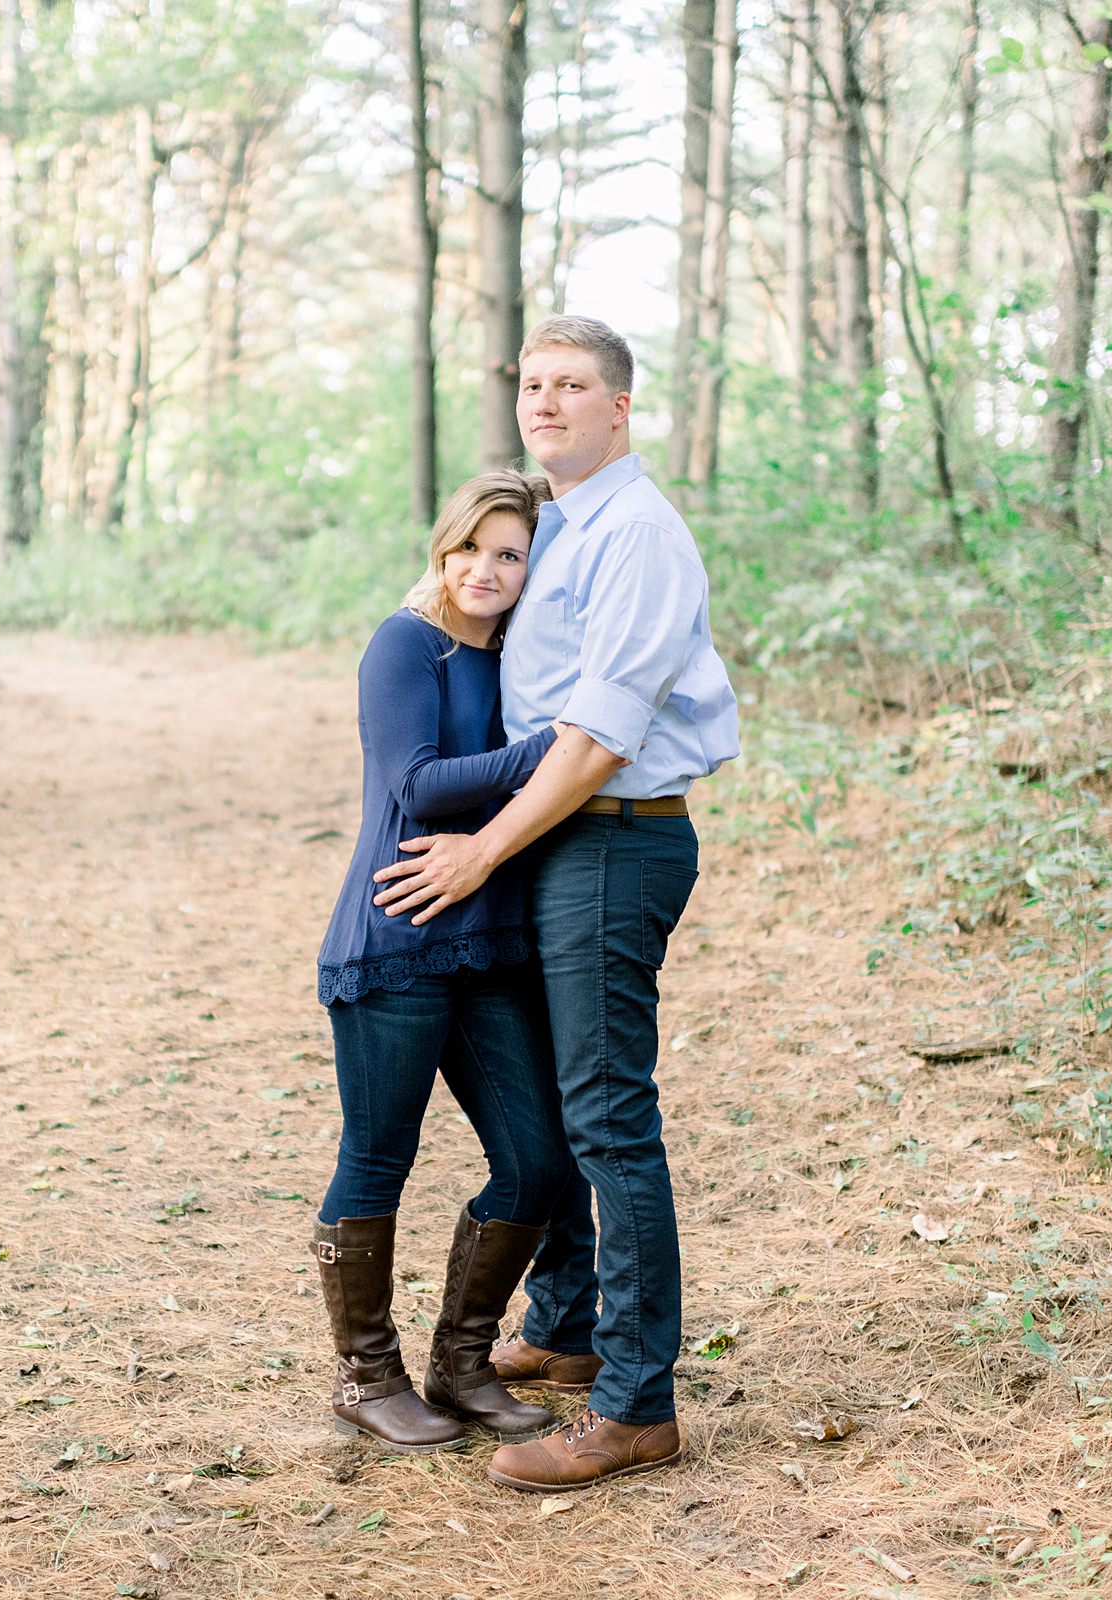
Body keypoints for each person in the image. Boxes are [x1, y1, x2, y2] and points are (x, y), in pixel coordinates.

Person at [372, 316, 739, 1491]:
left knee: (608, 1117)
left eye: (572, 385)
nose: (547, 401)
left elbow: (592, 743)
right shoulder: (564, 523)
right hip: (557, 843)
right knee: (563, 1104)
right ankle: (574, 1325)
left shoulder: (638, 536)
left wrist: (479, 852)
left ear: (619, 407)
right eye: (533, 384)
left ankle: (637, 1404)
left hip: (608, 841)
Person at [310, 469, 579, 1454]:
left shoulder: (517, 661)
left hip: (490, 946)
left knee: (539, 1159)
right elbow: (417, 786)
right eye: (473, 546)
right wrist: (559, 743)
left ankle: (461, 1364)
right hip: (396, 941)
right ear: (445, 547)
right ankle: (363, 1374)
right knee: (379, 1156)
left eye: (511, 553)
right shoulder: (405, 644)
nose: (488, 567)